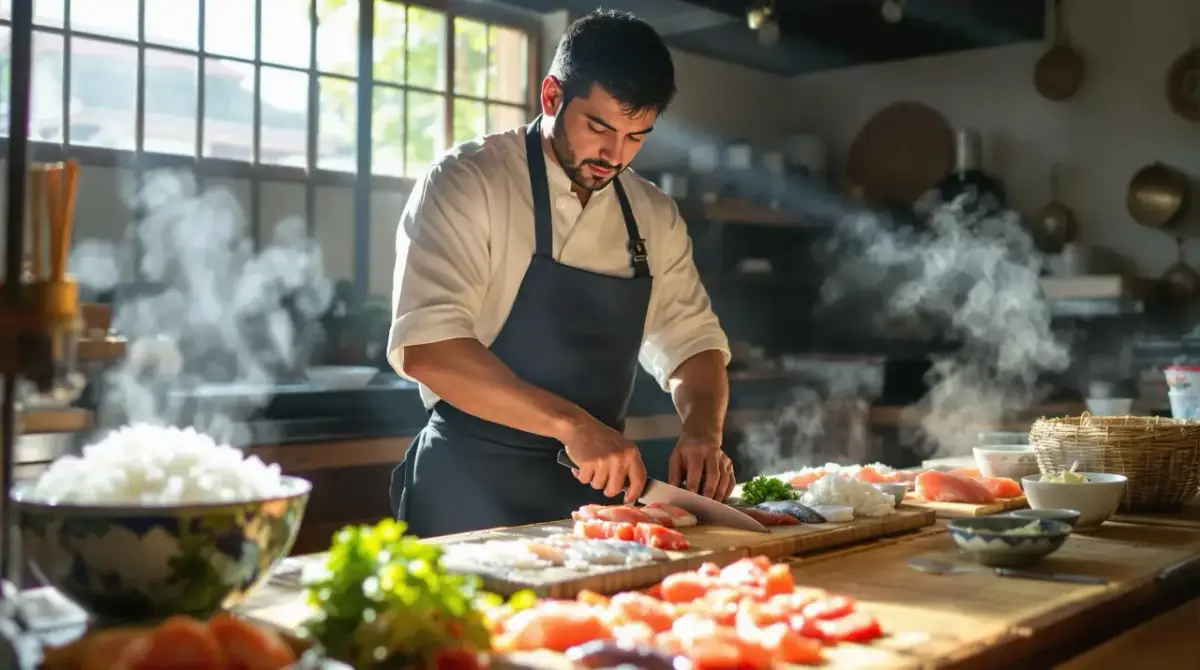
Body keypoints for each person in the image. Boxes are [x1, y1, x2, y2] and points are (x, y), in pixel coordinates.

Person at [387, 9, 733, 538]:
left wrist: (703, 433)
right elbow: (429, 349)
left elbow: (694, 344)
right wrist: (573, 426)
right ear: (552, 96)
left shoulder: (653, 215)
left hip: (591, 507)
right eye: (599, 128)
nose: (614, 155)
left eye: (636, 136)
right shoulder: (467, 181)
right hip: (466, 496)